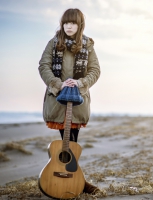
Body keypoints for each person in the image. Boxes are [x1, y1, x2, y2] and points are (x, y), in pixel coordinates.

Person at [38, 8, 101, 195]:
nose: (69, 26)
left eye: (73, 23)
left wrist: (80, 83)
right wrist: (58, 84)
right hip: (57, 100)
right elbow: (43, 66)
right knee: (66, 140)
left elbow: (95, 70)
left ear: (79, 24)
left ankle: (76, 181)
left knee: (73, 140)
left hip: (78, 100)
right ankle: (77, 181)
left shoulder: (87, 45)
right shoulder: (53, 43)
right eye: (66, 23)